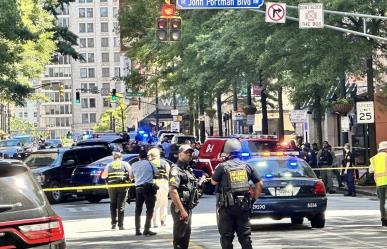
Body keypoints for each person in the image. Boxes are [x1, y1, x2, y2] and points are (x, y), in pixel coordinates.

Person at [211, 139, 263, 249]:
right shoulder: (247, 166)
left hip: (226, 208)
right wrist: (254, 199)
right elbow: (259, 184)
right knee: (245, 238)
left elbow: (213, 182)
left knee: (226, 238)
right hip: (243, 206)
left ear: (227, 153)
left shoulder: (222, 167)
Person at [169, 144, 201, 249]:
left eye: (191, 153)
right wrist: (182, 210)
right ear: (180, 154)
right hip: (180, 208)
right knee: (180, 238)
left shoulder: (188, 169)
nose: (189, 155)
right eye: (186, 152)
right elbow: (173, 191)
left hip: (187, 207)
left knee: (185, 238)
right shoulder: (176, 170)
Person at [130, 149, 159, 236]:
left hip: (138, 189)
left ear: (139, 157)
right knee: (150, 209)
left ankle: (137, 230)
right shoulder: (150, 163)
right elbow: (157, 173)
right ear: (146, 157)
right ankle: (146, 229)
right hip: (149, 188)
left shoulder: (133, 164)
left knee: (138, 210)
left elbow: (131, 176)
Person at [101, 152, 131, 230]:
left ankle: (113, 224)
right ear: (121, 157)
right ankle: (120, 225)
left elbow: (103, 176)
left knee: (113, 205)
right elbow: (131, 175)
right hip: (122, 187)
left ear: (113, 158)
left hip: (112, 187)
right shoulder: (125, 164)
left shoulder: (109, 165)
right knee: (121, 206)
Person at [148, 148, 171, 227]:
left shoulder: (149, 163)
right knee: (163, 203)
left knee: (155, 204)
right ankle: (163, 221)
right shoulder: (164, 162)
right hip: (164, 183)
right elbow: (169, 174)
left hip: (154, 183)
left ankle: (155, 222)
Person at [369, 141, 387, 227]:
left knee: (382, 202)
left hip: (379, 183)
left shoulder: (373, 158)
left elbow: (370, 170)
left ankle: (384, 219)